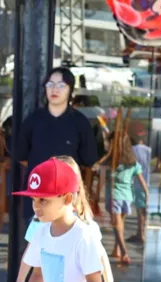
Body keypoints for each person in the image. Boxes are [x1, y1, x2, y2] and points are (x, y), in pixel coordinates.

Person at [16, 67, 99, 225]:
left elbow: (89, 159)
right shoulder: (33, 121)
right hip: (38, 198)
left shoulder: (80, 123)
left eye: (61, 85)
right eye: (50, 84)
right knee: (35, 244)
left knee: (66, 244)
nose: (54, 89)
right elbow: (21, 156)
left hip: (68, 200)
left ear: (70, 90)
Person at [108, 139, 149, 265]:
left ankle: (124, 252)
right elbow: (141, 179)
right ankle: (117, 249)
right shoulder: (133, 164)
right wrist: (146, 193)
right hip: (127, 197)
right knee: (120, 224)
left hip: (116, 196)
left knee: (117, 225)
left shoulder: (114, 162)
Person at [131, 127, 152, 244]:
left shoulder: (132, 150)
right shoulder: (148, 150)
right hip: (147, 181)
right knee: (143, 210)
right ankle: (141, 233)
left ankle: (141, 234)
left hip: (137, 183)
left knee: (140, 211)